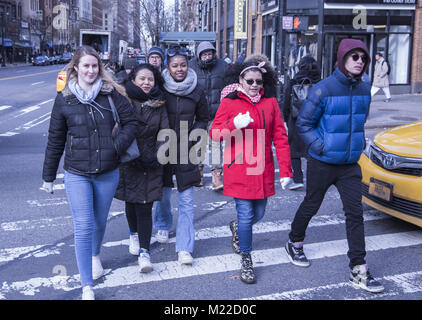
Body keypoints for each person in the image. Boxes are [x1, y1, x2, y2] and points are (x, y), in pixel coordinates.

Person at [285, 39, 384, 293]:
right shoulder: (322, 89)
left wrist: (358, 143)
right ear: (342, 59)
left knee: (355, 213)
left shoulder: (364, 89)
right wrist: (319, 147)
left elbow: (359, 122)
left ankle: (359, 269)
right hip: (323, 162)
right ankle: (294, 242)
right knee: (312, 204)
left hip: (350, 164)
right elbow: (303, 124)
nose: (359, 61)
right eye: (354, 56)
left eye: (363, 57)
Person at [41, 45, 138, 300]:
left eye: (95, 66)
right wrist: (48, 176)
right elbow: (55, 138)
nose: (91, 70)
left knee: (99, 222)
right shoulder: (64, 99)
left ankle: (95, 254)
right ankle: (87, 286)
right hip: (77, 172)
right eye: (86, 66)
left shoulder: (110, 94)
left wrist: (115, 147)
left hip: (107, 170)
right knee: (83, 225)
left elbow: (131, 122)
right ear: (76, 68)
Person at [210, 57, 292, 284]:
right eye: (250, 80)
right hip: (238, 167)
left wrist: (286, 171)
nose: (255, 84)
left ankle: (236, 228)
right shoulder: (229, 102)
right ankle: (246, 258)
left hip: (262, 169)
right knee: (246, 216)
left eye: (259, 80)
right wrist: (233, 125)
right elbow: (214, 134)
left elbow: (281, 139)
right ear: (240, 80)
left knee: (259, 214)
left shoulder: (271, 103)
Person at [153, 46, 209, 265]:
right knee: (164, 193)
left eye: (183, 65)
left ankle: (185, 247)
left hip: (187, 148)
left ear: (189, 65)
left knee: (186, 198)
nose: (179, 69)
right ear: (168, 66)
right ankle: (163, 224)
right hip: (163, 147)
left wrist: (193, 138)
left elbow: (204, 118)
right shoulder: (160, 88)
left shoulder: (197, 88)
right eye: (175, 65)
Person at [114, 64, 169, 273]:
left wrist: (157, 155)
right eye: (142, 79)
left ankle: (145, 253)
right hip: (129, 158)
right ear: (134, 80)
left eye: (151, 79)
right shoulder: (124, 99)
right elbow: (120, 128)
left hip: (152, 161)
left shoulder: (160, 103)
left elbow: (165, 131)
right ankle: (133, 234)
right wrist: (132, 154)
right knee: (132, 200)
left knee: (145, 205)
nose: (147, 83)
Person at [189, 41, 228, 189]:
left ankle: (217, 175)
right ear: (199, 55)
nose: (207, 57)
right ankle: (198, 172)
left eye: (209, 54)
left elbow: (229, 86)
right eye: (204, 54)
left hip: (217, 113)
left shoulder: (222, 66)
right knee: (199, 143)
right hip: (198, 113)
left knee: (216, 143)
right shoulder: (191, 66)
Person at [282, 55, 321, 190]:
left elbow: (286, 103)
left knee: (294, 152)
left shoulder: (293, 82)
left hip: (296, 120)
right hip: (315, 122)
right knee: (312, 152)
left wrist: (286, 119)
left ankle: (298, 179)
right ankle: (314, 181)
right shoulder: (321, 84)